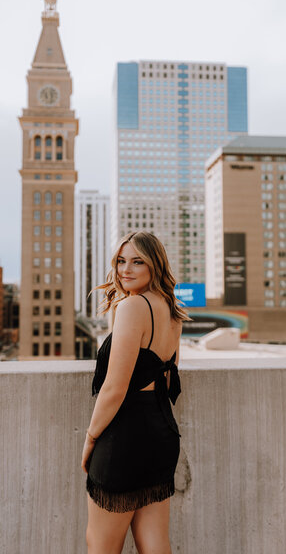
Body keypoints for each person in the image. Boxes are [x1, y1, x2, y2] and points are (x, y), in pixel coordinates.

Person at [81, 231, 190, 554]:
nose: (125, 270)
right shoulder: (173, 310)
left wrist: (90, 439)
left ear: (154, 265)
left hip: (124, 438)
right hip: (161, 434)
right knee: (154, 543)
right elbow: (168, 380)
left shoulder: (132, 306)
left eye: (137, 261)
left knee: (101, 544)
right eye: (120, 261)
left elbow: (115, 388)